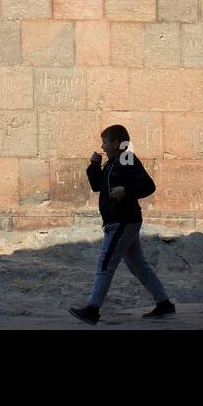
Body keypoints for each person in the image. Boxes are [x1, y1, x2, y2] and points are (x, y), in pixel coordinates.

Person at [67, 124, 176, 325]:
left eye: (106, 142)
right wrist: (93, 165)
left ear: (116, 143)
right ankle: (164, 303)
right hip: (121, 221)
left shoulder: (127, 160)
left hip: (123, 221)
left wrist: (126, 190)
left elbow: (148, 186)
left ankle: (92, 309)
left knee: (105, 263)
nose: (103, 146)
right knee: (138, 266)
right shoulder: (112, 163)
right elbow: (97, 186)